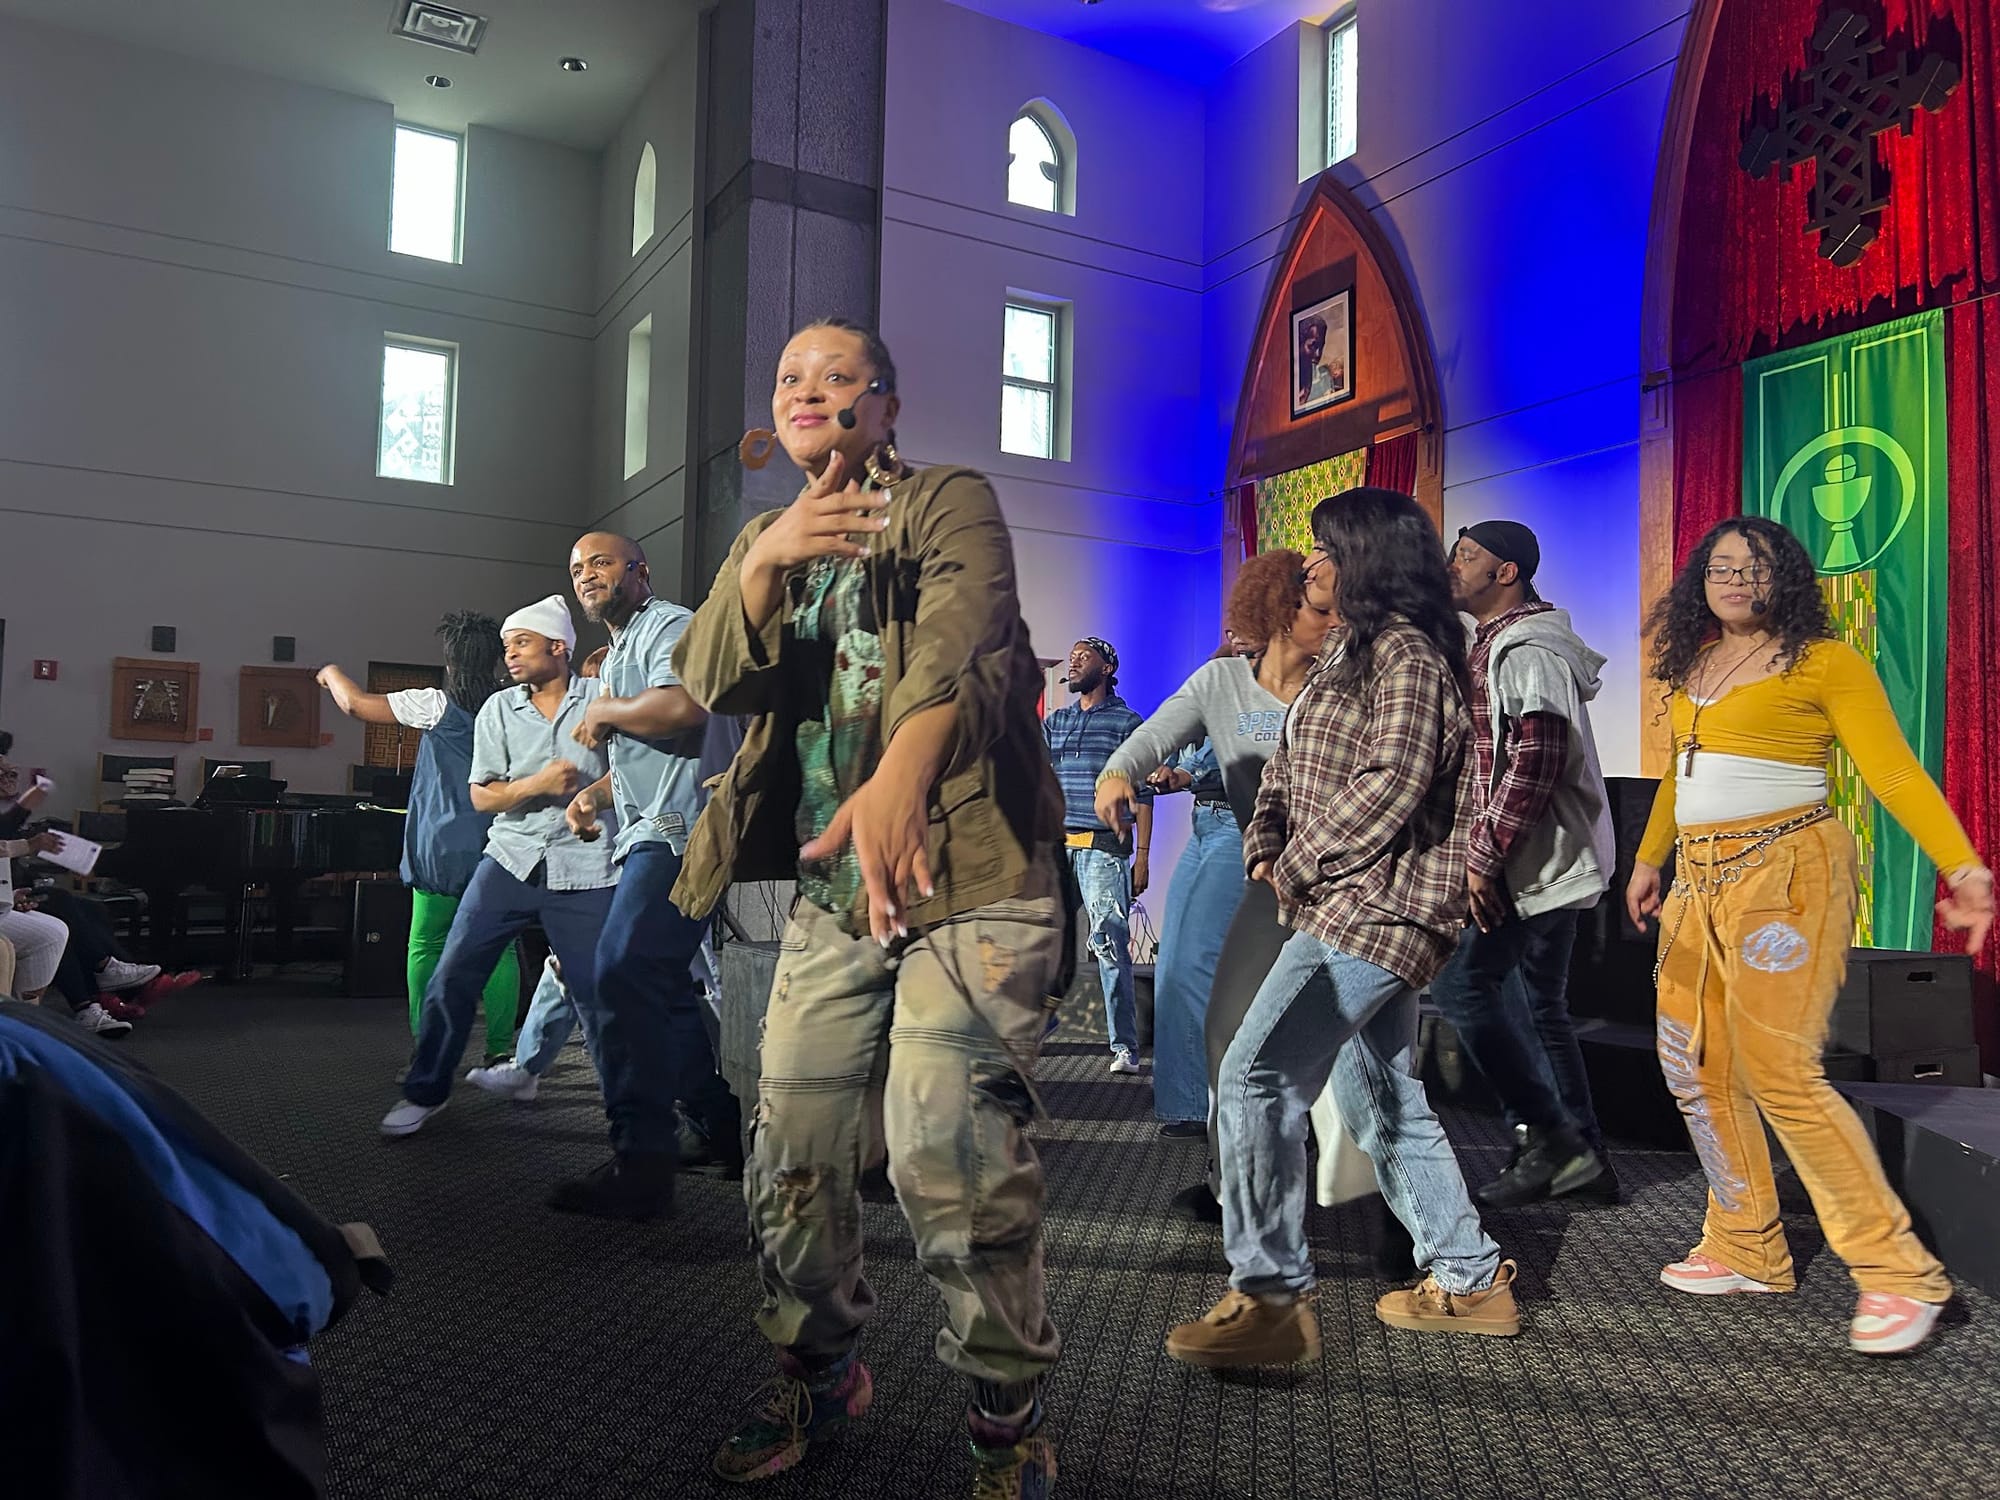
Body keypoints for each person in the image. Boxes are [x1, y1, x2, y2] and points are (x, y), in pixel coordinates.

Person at [671, 318, 1066, 1496]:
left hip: (973, 882)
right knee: (789, 1148)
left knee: (950, 1151)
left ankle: (1004, 1415)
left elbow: (964, 640)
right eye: (788, 376)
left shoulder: (947, 499)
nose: (808, 389)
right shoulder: (772, 537)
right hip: (834, 894)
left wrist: (901, 772)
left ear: (885, 404)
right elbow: (711, 681)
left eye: (838, 375)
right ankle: (817, 1370)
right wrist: (764, 561)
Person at [1165, 487, 1521, 1370]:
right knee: (1382, 1097)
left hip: (1376, 911)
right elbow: (1285, 766)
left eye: (1325, 548)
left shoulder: (1409, 656)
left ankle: (1270, 1299)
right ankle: (1471, 1278)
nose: (1311, 563)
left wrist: (1296, 862)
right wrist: (1265, 837)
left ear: (1368, 558)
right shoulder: (1347, 653)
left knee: (1255, 1076)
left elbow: (1391, 782)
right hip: (1342, 902)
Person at [1627, 516, 1994, 1356]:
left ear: (1784, 579)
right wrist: (1651, 859)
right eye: (1720, 567)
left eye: (1752, 568)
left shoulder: (1825, 661)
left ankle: (1900, 1273)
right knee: (1694, 1062)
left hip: (1785, 873)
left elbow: (1892, 771)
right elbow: (1680, 772)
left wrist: (1963, 868)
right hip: (1698, 881)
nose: (1734, 580)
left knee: (1781, 1072)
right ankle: (1746, 1245)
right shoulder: (1695, 665)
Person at [1095, 555, 1331, 1139]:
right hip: (1217, 831)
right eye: (1321, 610)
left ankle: (1260, 1117)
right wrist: (1117, 773)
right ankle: (1193, 1106)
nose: (1334, 623)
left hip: (1291, 851)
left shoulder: (1332, 687)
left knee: (1239, 978)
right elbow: (1155, 735)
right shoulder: (1221, 681)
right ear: (1282, 613)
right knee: (1182, 966)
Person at [539, 529, 738, 1218]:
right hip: (652, 828)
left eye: (601, 562)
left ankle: (641, 1166)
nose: (586, 575)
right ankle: (718, 1129)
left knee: (621, 972)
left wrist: (604, 710)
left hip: (679, 830)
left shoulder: (668, 624)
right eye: (577, 569)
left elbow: (686, 708)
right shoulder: (623, 648)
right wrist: (592, 798)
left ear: (639, 570)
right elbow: (643, 755)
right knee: (664, 986)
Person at [379, 596, 616, 1141]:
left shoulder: (602, 699)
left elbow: (628, 771)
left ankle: (627, 1114)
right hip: (510, 859)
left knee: (597, 993)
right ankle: (426, 1090)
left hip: (585, 865)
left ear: (558, 647)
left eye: (521, 643)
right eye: (506, 646)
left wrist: (590, 796)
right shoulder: (498, 709)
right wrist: (538, 784)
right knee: (453, 974)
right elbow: (483, 796)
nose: (509, 655)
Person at [1432, 520, 1617, 1207]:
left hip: (1531, 861)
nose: (1452, 567)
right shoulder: (1492, 644)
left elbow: (1536, 760)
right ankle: (1582, 1156)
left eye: (1466, 556)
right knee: (1539, 1006)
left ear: (1505, 572)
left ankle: (1552, 1140)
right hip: (1532, 859)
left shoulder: (1529, 648)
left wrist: (1483, 858)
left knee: (1465, 987)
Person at [318, 613, 521, 1069]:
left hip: (441, 846)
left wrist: (330, 673)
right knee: (501, 946)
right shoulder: (511, 705)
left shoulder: (434, 704)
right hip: (499, 842)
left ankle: (426, 1051)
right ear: (495, 660)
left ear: (450, 663)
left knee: (426, 943)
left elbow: (355, 705)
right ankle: (499, 1052)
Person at [1044, 637, 1151, 1074]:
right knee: (1044, 940)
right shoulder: (1057, 722)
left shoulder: (1126, 722)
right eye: (1071, 658)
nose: (1073, 663)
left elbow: (1142, 795)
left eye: (1083, 657)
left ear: (1106, 668)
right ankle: (1041, 1023)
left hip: (1103, 849)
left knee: (1108, 942)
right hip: (1058, 848)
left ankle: (1124, 1046)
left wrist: (1142, 856)